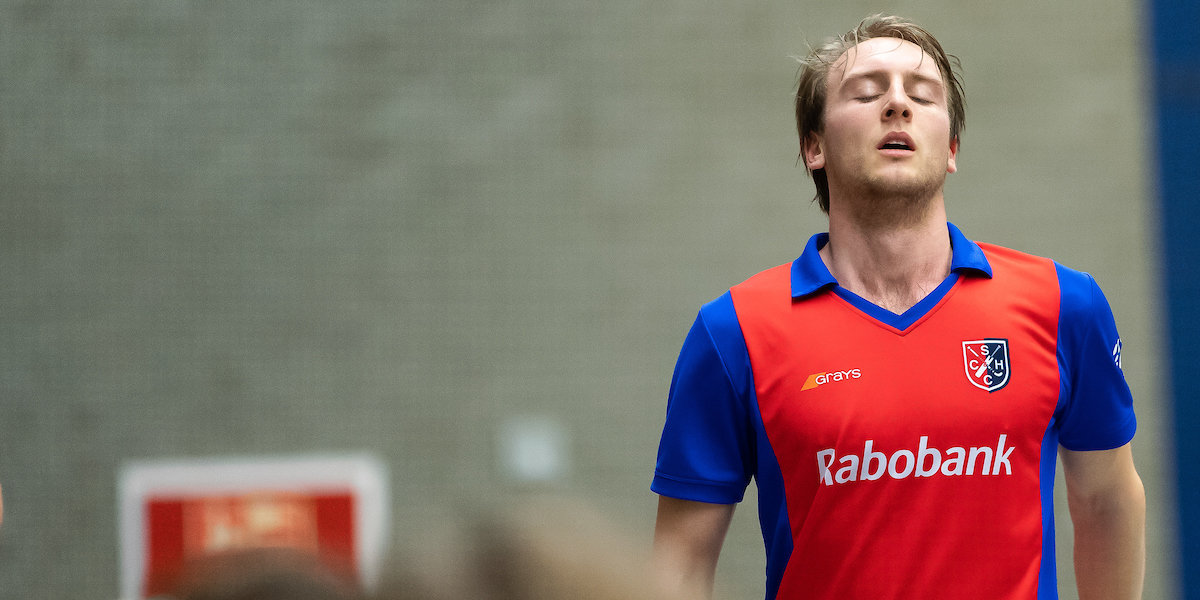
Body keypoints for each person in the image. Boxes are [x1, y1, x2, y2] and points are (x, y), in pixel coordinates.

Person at [651, 14, 1145, 600]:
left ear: (952, 149)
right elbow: (679, 566)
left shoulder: (1064, 306)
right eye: (866, 93)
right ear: (814, 146)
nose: (897, 105)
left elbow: (1106, 500)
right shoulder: (734, 333)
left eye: (923, 95)